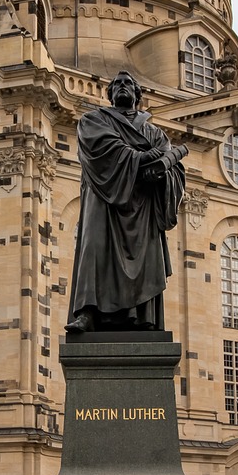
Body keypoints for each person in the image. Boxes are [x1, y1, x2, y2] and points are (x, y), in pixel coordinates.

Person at [65, 71, 188, 333]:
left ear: (137, 95)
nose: (122, 87)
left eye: (128, 83)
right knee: (93, 247)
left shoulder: (155, 132)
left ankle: (143, 318)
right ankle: (88, 313)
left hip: (142, 206)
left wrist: (162, 173)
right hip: (103, 199)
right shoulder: (93, 120)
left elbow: (174, 171)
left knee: (144, 258)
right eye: (117, 84)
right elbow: (101, 149)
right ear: (109, 95)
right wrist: (142, 159)